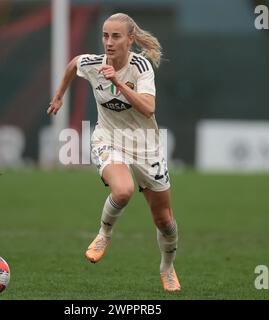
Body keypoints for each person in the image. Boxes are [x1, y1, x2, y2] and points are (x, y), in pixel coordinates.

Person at [47, 13, 180, 292]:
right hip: (108, 139)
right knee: (122, 191)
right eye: (105, 35)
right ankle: (104, 234)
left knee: (165, 220)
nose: (108, 42)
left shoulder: (140, 66)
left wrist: (117, 83)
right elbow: (73, 64)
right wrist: (60, 95)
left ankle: (167, 267)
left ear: (130, 40)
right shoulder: (93, 64)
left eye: (116, 36)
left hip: (145, 144)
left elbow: (148, 108)